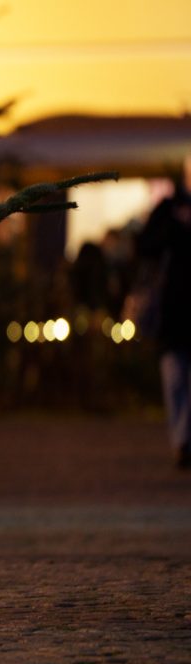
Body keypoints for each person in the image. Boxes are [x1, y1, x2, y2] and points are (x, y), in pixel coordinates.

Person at [137, 157, 191, 469]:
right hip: (172, 312)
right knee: (175, 380)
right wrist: (175, 226)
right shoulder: (169, 210)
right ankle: (182, 441)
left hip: (178, 312)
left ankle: (184, 440)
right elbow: (145, 246)